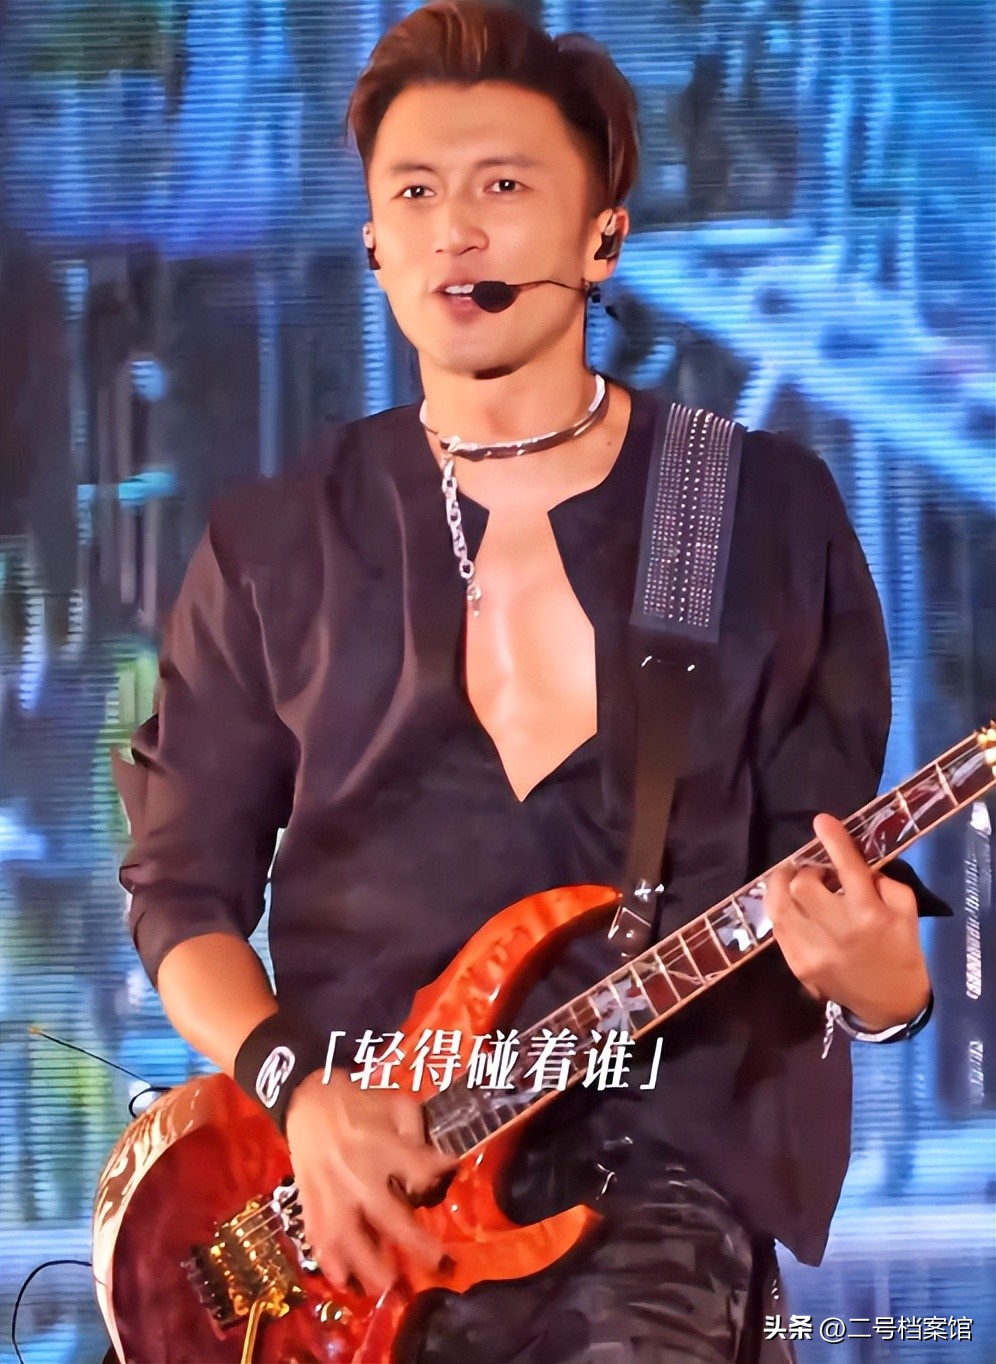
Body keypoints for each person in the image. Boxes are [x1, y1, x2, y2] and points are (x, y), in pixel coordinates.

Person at [114, 5, 946, 1361]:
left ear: (602, 237)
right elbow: (180, 894)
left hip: (660, 1195)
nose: (457, 230)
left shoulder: (759, 511)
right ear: (373, 243)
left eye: (503, 186)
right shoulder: (272, 543)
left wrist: (882, 987)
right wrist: (300, 1092)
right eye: (415, 194)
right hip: (356, 1221)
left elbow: (838, 890)